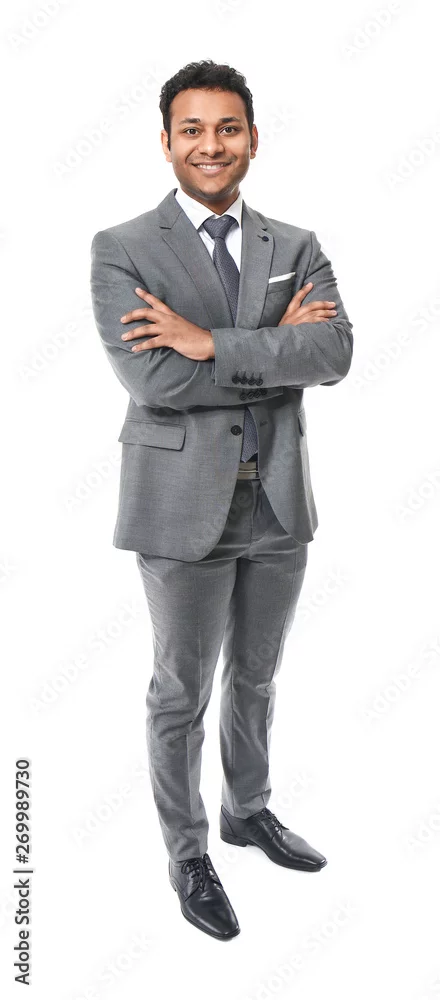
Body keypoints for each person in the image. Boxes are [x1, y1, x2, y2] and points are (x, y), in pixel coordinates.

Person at [90, 59, 353, 942]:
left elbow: (335, 354)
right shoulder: (123, 247)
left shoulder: (297, 246)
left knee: (259, 675)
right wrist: (270, 348)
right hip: (179, 506)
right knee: (181, 690)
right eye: (193, 130)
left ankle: (248, 810)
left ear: (253, 137)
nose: (212, 145)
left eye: (228, 128)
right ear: (166, 142)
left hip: (277, 502)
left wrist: (208, 340)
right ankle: (188, 853)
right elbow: (151, 378)